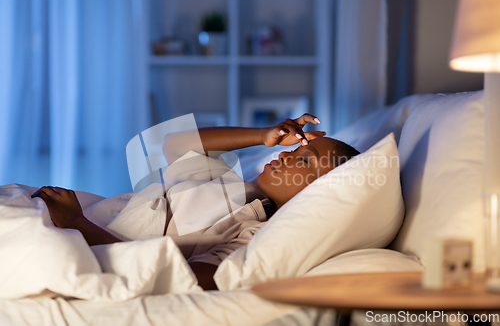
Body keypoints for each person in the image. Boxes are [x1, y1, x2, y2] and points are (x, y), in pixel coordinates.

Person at [31, 113, 360, 290]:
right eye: (298, 148)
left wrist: (76, 224)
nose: (288, 153)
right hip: (76, 212)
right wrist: (262, 135)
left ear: (318, 194)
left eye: (304, 161)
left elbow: (185, 277)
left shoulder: (252, 232)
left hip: (79, 235)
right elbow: (176, 144)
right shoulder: (227, 180)